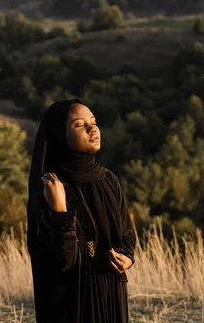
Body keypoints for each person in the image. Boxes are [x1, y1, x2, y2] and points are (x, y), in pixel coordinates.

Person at [27, 99, 137, 323]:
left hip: (110, 291)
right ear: (60, 136)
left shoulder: (108, 180)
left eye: (93, 122)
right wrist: (60, 212)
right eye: (79, 124)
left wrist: (127, 257)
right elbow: (59, 262)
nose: (92, 128)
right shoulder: (51, 186)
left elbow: (126, 231)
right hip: (72, 301)